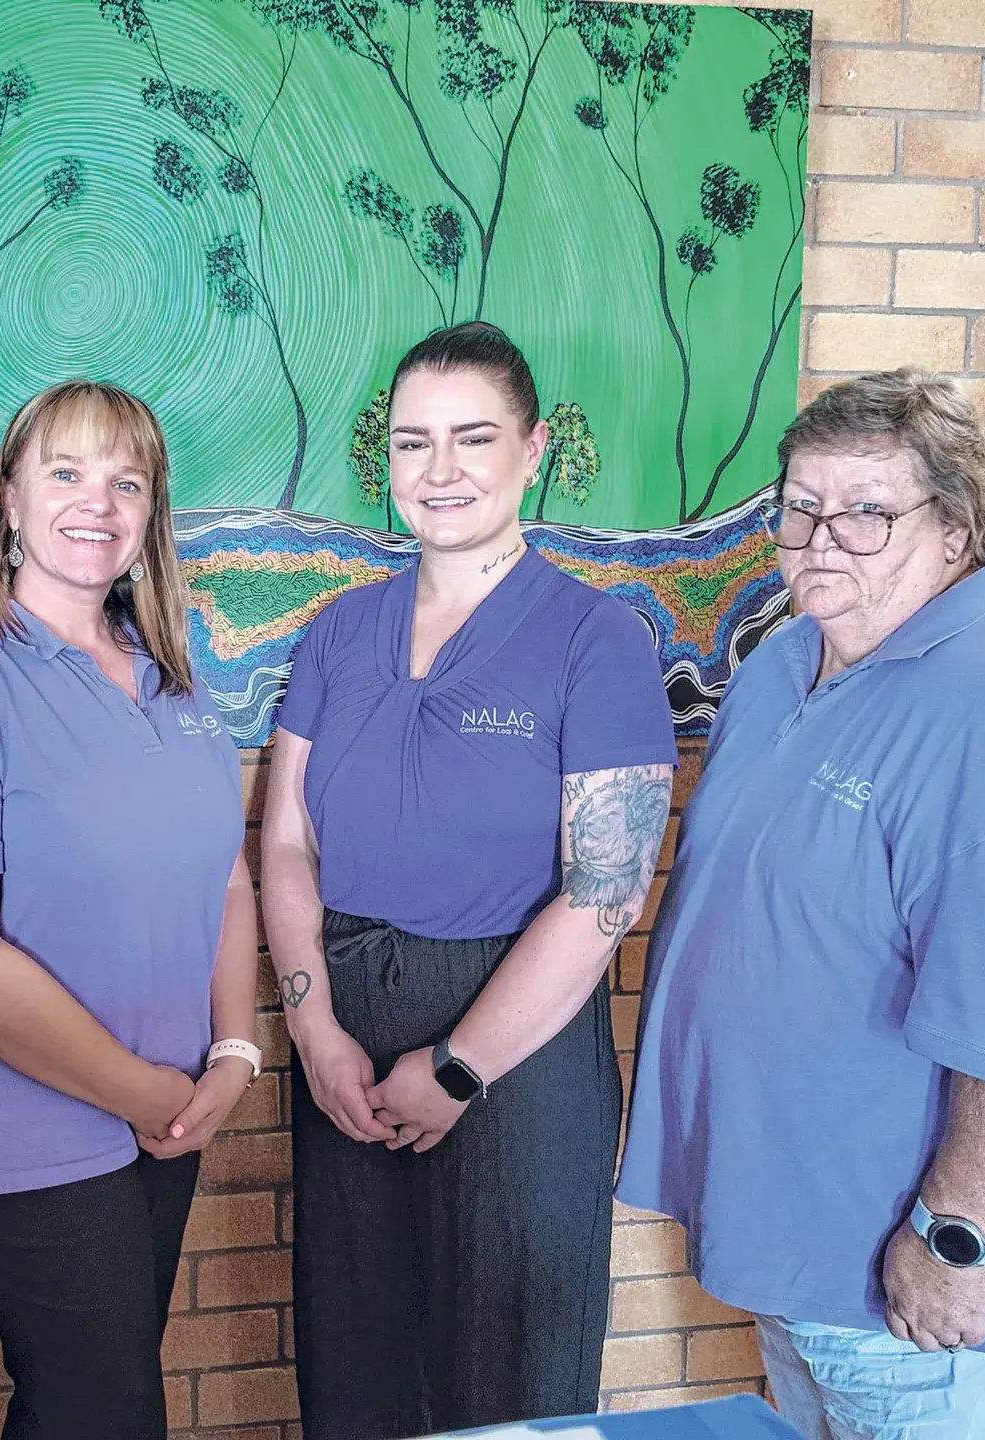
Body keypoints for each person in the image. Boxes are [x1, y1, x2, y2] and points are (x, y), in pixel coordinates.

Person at [617, 369, 985, 1439]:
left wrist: (957, 1240)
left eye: (867, 512)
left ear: (955, 530)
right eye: (801, 507)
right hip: (814, 1260)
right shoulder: (785, 664)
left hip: (945, 1308)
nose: (822, 539)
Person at [260, 322, 677, 1437]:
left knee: (511, 1381)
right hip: (343, 1049)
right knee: (357, 1366)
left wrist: (454, 1071)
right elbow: (286, 845)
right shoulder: (338, 636)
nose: (439, 471)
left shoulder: (600, 641)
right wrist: (315, 1035)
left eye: (473, 437)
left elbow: (605, 895)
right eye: (412, 443)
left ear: (533, 449)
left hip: (516, 1060)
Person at [0, 380, 260, 1440]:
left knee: (91, 1400)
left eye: (127, 480)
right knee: (108, 1408)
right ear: (8, 499)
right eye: (68, 472)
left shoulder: (176, 684)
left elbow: (227, 877)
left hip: (164, 1115)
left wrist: (233, 1050)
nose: (99, 501)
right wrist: (147, 1093)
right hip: (24, 1134)